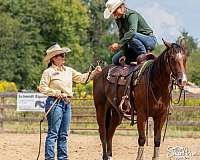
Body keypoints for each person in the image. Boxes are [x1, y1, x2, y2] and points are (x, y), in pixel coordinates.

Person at [38, 43, 102, 160]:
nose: (63, 57)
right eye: (60, 55)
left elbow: (82, 78)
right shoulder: (48, 72)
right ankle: (50, 158)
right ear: (53, 59)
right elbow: (42, 87)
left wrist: (94, 73)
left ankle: (63, 158)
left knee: (63, 134)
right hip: (54, 103)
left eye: (63, 55)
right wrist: (56, 92)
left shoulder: (69, 70)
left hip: (67, 103)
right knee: (53, 133)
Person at [104, 0, 157, 65]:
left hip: (149, 40)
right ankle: (137, 57)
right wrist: (124, 54)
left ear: (121, 7)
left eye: (114, 11)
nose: (114, 14)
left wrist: (119, 44)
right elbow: (122, 36)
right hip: (135, 44)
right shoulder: (118, 20)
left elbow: (132, 32)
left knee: (130, 35)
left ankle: (144, 56)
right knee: (115, 59)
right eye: (112, 13)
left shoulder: (132, 15)